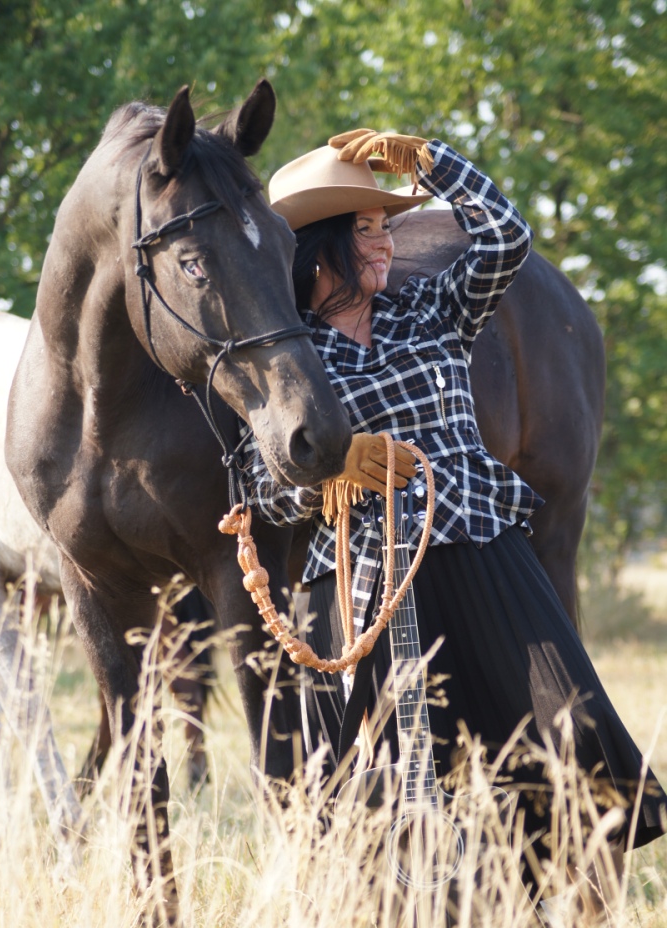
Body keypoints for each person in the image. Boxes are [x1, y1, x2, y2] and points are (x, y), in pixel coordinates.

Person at [240, 128, 667, 884]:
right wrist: (326, 477)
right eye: (365, 230)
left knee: (563, 739)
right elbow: (255, 489)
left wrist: (436, 163)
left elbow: (506, 237)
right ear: (319, 248)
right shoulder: (290, 363)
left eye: (384, 226)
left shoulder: (432, 311)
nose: (384, 245)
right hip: (367, 591)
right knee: (390, 795)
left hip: (483, 558)